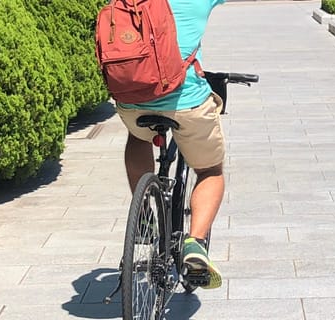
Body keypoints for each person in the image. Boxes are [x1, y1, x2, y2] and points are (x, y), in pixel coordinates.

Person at [114, 0, 227, 289]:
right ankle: (195, 244)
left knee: (138, 136)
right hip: (186, 103)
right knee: (210, 171)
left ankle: (144, 217)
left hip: (132, 101)